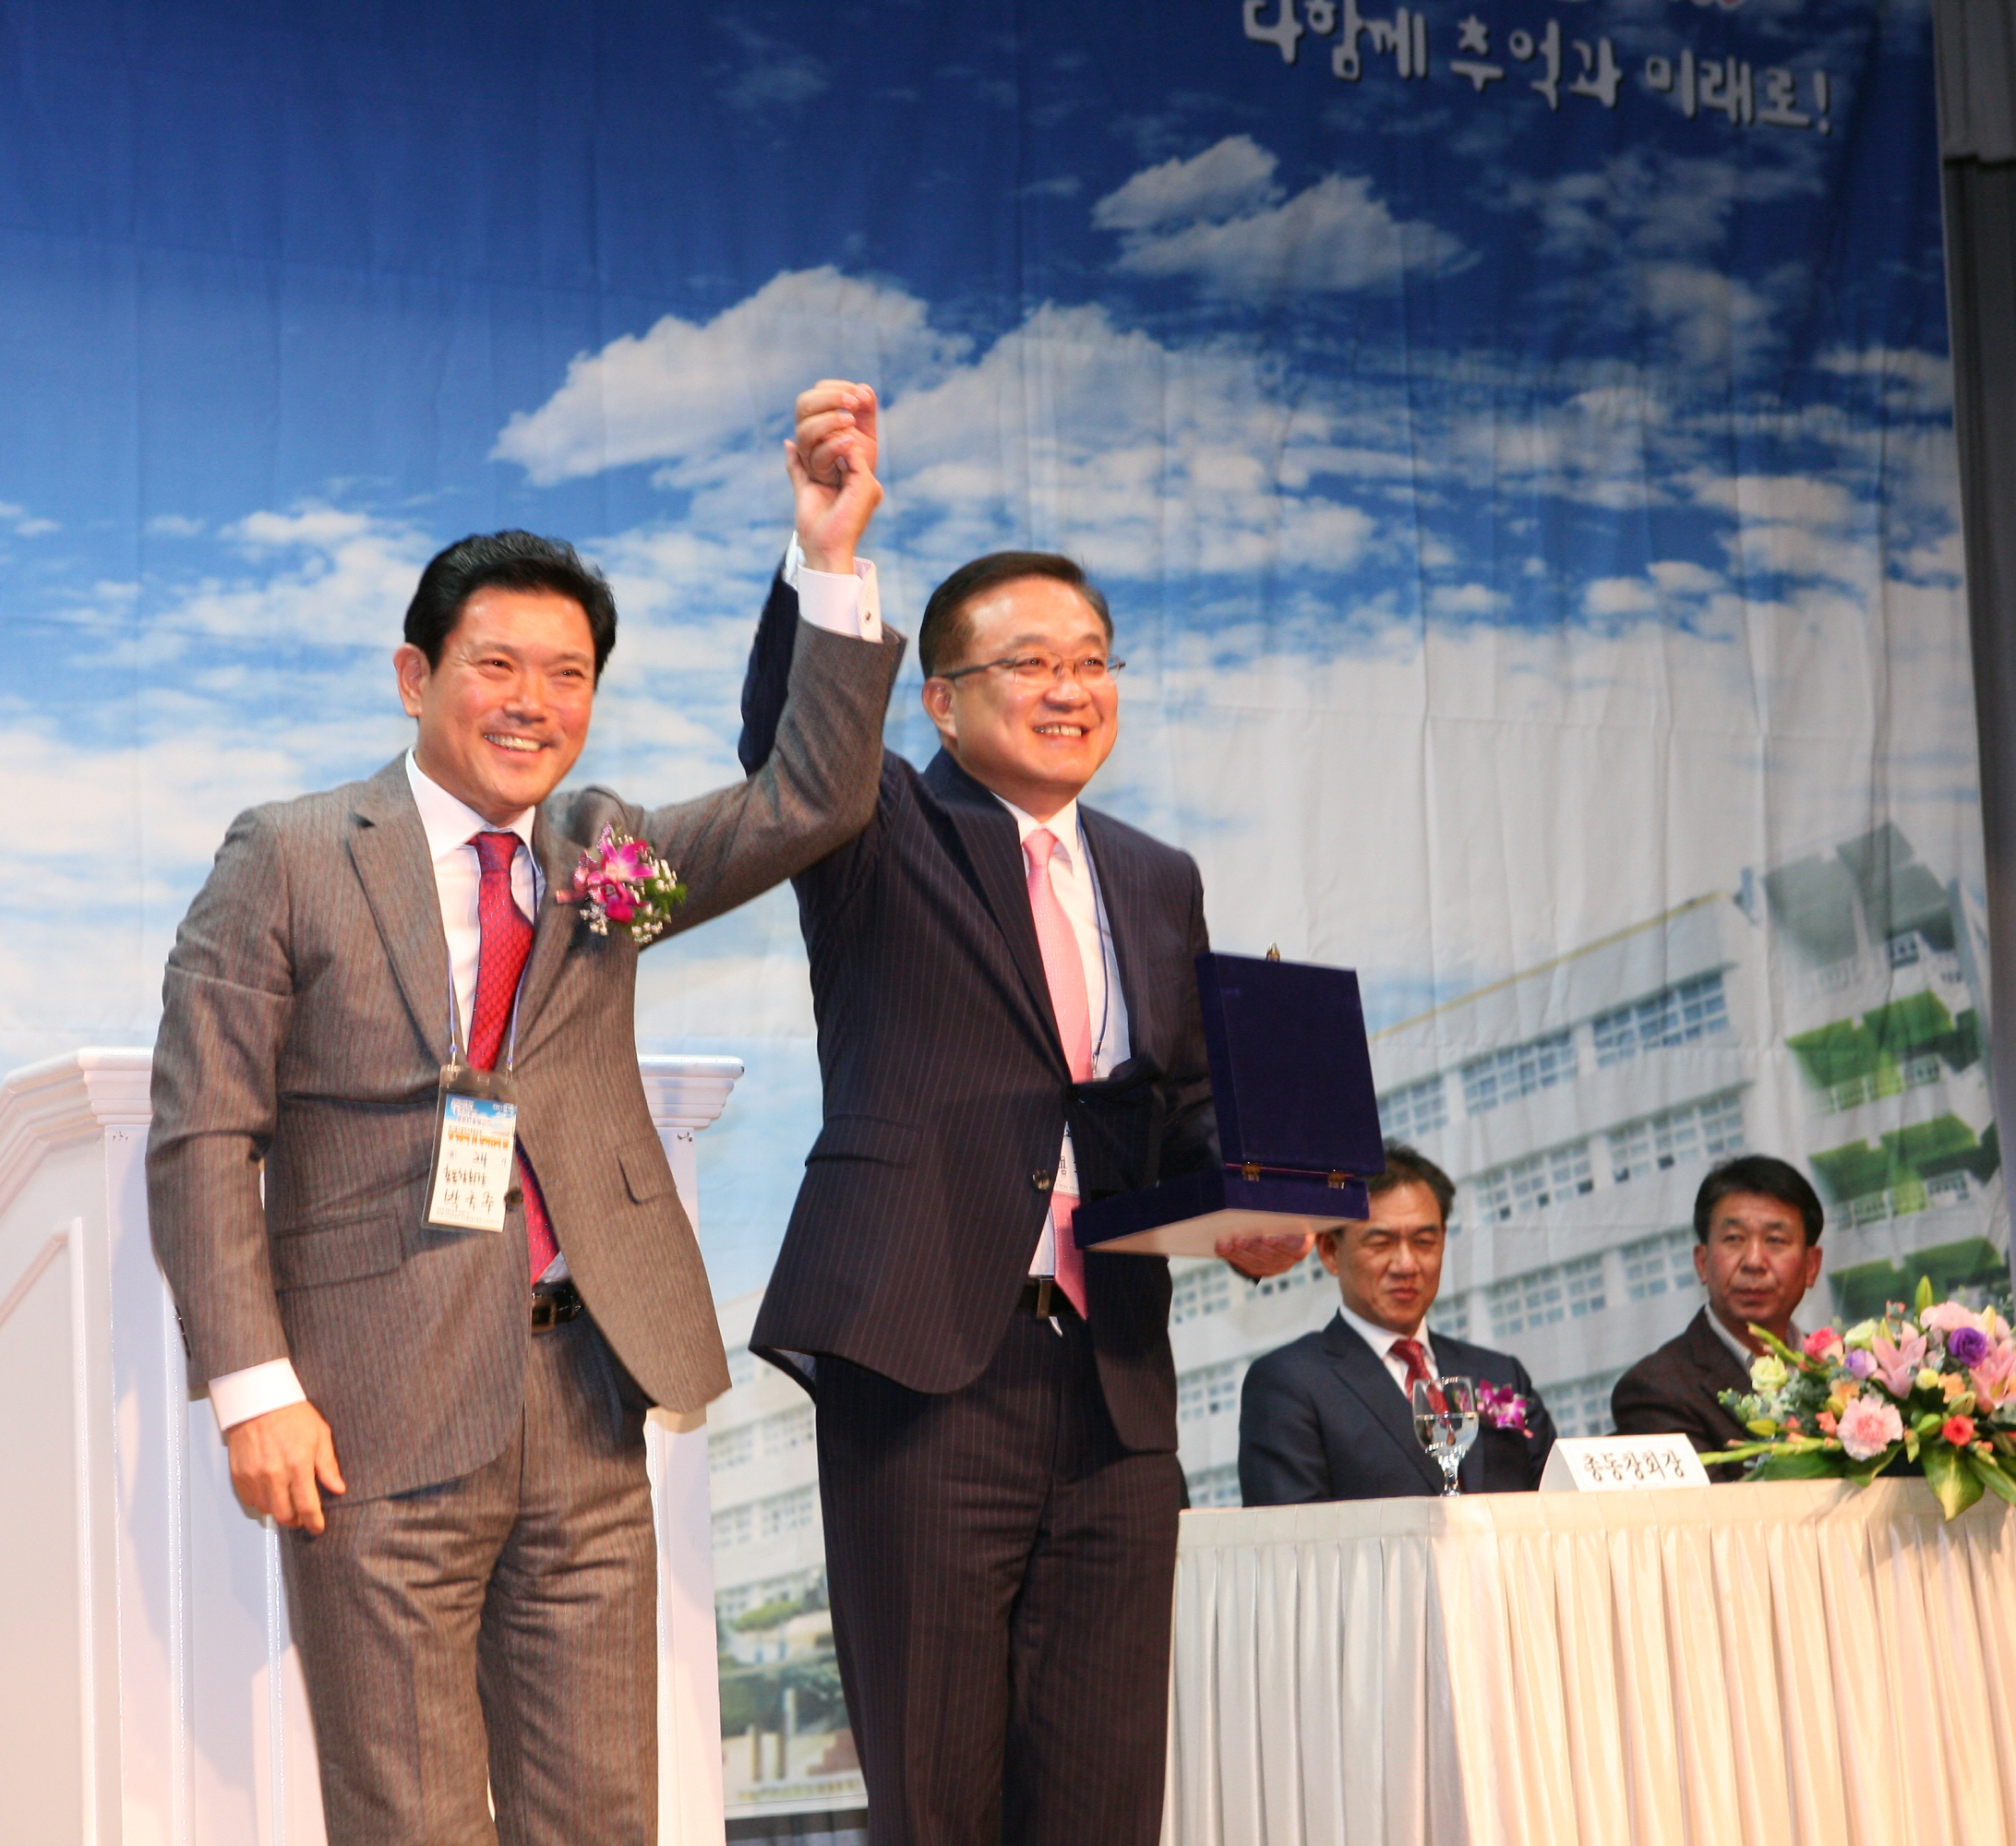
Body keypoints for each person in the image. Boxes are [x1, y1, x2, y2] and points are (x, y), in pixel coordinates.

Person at [144, 382, 903, 1846]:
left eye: (567, 675)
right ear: (414, 676)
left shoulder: (602, 849)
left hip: (586, 1392)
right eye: (495, 665)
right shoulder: (289, 855)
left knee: (601, 1818)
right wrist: (253, 1388)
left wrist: (828, 556)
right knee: (415, 1818)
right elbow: (203, 1137)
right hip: (369, 1409)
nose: (532, 703)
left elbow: (809, 801)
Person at [736, 500, 1312, 1846]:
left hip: (1113, 1383)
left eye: (1093, 661)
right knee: (938, 1787)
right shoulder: (878, 826)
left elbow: (1176, 1107)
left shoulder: (1157, 876)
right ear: (940, 702)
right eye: (1032, 662)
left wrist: (1249, 1203)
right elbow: (787, 736)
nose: (1071, 688)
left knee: (1103, 1789)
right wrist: (828, 558)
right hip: (929, 1365)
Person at [1237, 1144, 1554, 1503]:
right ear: (1330, 1250)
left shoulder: (1501, 1374)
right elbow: (1290, 1531)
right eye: (1381, 1243)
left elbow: (1560, 1507)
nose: (1406, 1265)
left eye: (1424, 1242)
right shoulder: (1290, 1383)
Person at [1610, 1153, 1828, 1478]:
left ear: (1811, 1266)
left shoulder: (1848, 1372)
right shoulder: (1657, 1389)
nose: (1753, 1261)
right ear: (1702, 1262)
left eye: (1775, 1240)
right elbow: (1704, 1508)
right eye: (1734, 1239)